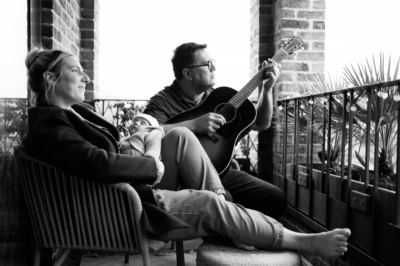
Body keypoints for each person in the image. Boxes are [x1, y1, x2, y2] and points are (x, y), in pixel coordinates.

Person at [22, 47, 351, 258]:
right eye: (76, 70)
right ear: (52, 78)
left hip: (121, 195)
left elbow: (260, 123)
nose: (85, 75)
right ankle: (298, 241)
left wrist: (267, 87)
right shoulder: (50, 125)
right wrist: (151, 162)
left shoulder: (67, 117)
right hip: (117, 206)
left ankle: (234, 220)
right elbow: (98, 162)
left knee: (180, 138)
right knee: (207, 201)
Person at [144, 42, 286, 219]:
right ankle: (231, 232)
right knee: (225, 199)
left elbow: (261, 124)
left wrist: (266, 89)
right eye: (208, 64)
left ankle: (239, 236)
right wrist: (194, 124)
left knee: (274, 198)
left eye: (213, 62)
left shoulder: (217, 97)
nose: (214, 68)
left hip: (220, 170)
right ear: (187, 73)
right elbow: (146, 132)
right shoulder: (162, 101)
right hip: (182, 177)